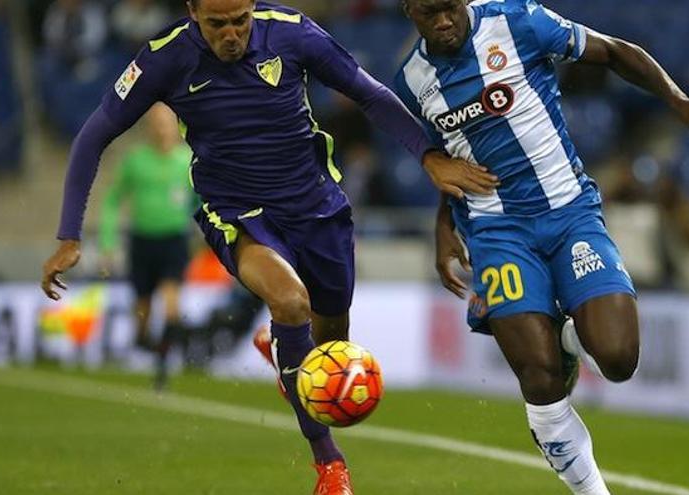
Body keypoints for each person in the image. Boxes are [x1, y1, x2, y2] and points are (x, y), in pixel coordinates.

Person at [40, 1, 498, 493]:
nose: (232, 34)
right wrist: (70, 235)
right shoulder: (164, 57)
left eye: (240, 20)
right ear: (194, 12)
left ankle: (283, 351)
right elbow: (93, 136)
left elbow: (368, 93)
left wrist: (428, 156)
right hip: (235, 210)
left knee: (329, 348)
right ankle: (330, 467)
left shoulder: (293, 34)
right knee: (289, 300)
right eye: (218, 24)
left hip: (318, 208)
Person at [395, 1, 689, 494]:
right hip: (496, 231)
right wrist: (446, 229)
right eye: (427, 14)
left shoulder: (518, 21)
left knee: (617, 358)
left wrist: (677, 102)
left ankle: (568, 340)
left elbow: (614, 51)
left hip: (570, 213)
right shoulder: (412, 80)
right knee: (540, 378)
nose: (441, 22)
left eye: (448, 8)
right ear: (408, 12)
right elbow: (443, 159)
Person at [98, 102, 194, 389]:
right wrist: (107, 242)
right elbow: (113, 201)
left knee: (172, 304)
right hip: (141, 243)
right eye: (157, 124)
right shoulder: (136, 161)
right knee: (142, 315)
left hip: (174, 242)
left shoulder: (187, 160)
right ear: (149, 129)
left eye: (167, 124)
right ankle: (148, 343)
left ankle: (163, 369)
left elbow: (203, 201)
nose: (163, 130)